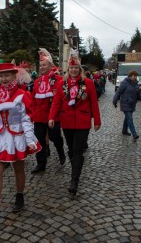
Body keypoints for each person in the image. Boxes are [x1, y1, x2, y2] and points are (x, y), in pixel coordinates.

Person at [0, 63, 40, 223]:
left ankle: (19, 196)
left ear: (14, 76)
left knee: (18, 169)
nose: (4, 79)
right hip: (0, 136)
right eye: (1, 76)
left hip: (16, 136)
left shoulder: (22, 94)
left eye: (7, 75)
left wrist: (29, 139)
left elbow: (27, 119)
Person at [48, 49, 101, 195]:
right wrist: (52, 117)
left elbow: (94, 103)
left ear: (79, 69)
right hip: (67, 122)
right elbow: (56, 102)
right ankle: (76, 169)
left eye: (76, 68)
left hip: (83, 122)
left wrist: (97, 121)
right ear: (68, 69)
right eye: (71, 68)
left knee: (77, 150)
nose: (73, 70)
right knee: (71, 150)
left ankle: (74, 181)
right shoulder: (61, 84)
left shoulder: (88, 83)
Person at [30, 48, 66, 174]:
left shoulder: (58, 79)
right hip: (39, 115)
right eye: (41, 65)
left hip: (53, 115)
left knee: (54, 137)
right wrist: (33, 114)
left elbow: (61, 98)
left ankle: (61, 151)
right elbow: (33, 99)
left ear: (50, 66)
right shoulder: (37, 82)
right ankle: (41, 163)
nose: (42, 67)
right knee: (39, 140)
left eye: (44, 65)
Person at [113, 70, 141, 141]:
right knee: (130, 118)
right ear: (130, 76)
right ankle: (134, 134)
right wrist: (114, 101)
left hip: (132, 104)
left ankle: (124, 130)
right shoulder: (124, 83)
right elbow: (118, 92)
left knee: (127, 118)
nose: (135, 77)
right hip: (125, 103)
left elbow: (139, 93)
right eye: (134, 76)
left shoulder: (136, 84)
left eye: (136, 76)